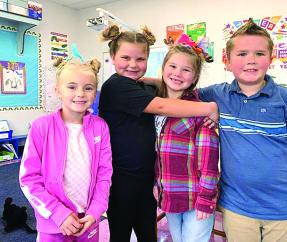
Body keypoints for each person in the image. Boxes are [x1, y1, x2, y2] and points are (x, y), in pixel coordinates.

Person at [198, 19, 287, 242]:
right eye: (242, 53)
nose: (251, 61)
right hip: (237, 207)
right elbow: (181, 88)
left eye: (259, 53)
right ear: (227, 61)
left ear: (271, 58)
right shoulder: (218, 94)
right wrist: (135, 83)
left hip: (285, 209)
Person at [99, 25, 218, 242]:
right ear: (112, 57)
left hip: (148, 179)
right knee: (120, 233)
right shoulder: (115, 86)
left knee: (147, 233)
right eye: (125, 57)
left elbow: (166, 86)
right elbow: (163, 107)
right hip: (121, 178)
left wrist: (152, 80)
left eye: (140, 59)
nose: (133, 65)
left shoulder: (144, 87)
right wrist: (209, 108)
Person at [19, 56, 113, 242]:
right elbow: (28, 179)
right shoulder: (41, 127)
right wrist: (57, 213)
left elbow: (104, 174)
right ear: (58, 91)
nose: (80, 94)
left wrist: (95, 212)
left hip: (88, 220)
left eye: (88, 88)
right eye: (71, 87)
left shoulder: (100, 127)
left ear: (95, 93)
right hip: (53, 222)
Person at [153, 44, 219, 242]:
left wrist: (206, 198)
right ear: (163, 68)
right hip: (170, 195)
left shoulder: (200, 111)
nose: (177, 73)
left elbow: (209, 162)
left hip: (196, 196)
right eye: (172, 66)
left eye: (186, 69)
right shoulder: (155, 106)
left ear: (195, 77)